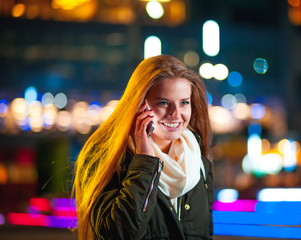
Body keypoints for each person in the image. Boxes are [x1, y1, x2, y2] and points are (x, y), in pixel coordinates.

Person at [72, 55, 213, 240]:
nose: (175, 114)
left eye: (184, 102)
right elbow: (119, 234)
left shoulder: (199, 162)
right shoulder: (106, 158)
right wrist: (145, 162)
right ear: (139, 105)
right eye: (163, 103)